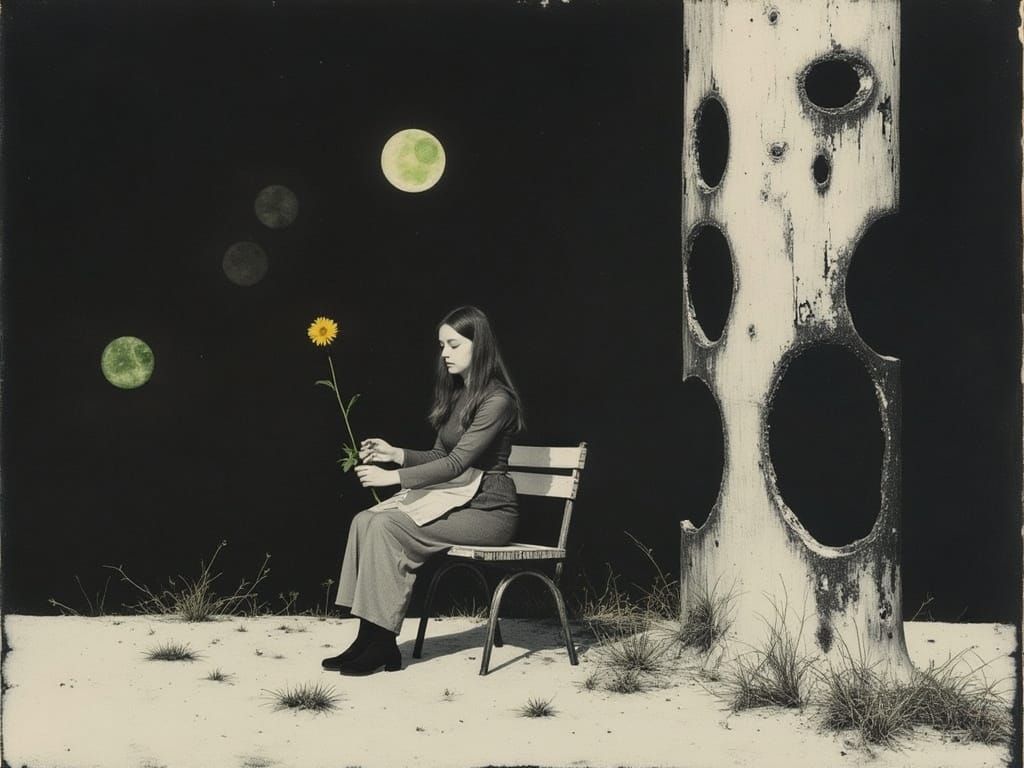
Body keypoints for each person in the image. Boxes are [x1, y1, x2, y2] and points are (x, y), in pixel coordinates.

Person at [322, 305, 525, 676]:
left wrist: (393, 478)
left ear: (478, 347)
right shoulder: (460, 394)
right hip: (457, 498)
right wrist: (394, 453)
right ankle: (368, 637)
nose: (444, 353)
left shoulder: (498, 400)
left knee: (388, 526)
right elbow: (437, 454)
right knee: (366, 519)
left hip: (488, 511)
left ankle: (382, 643)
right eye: (441, 345)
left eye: (453, 344)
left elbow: (456, 464)